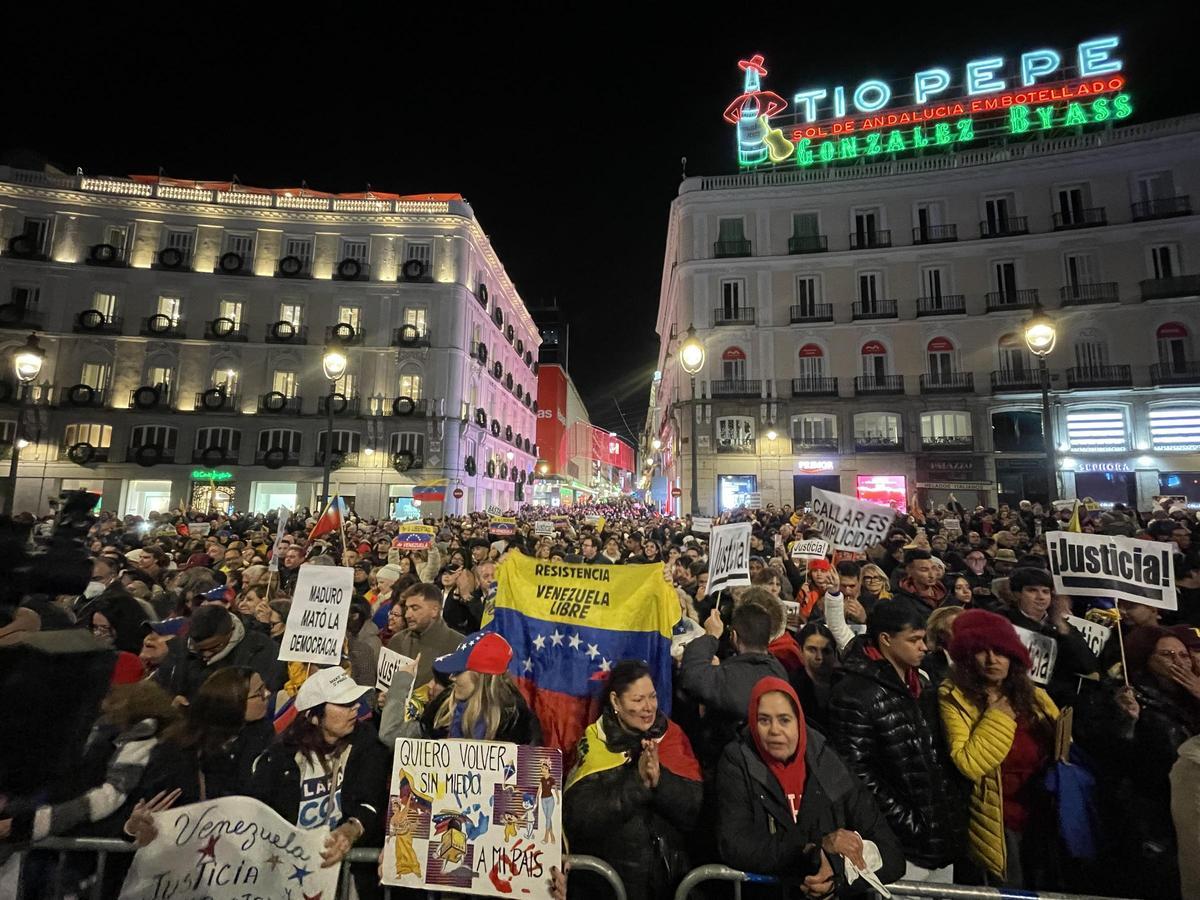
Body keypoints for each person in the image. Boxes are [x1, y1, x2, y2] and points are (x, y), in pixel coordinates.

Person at [716, 676, 905, 894]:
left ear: (799, 721)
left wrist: (836, 875)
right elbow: (736, 845)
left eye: (784, 719)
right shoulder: (737, 762)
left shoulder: (829, 764)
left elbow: (892, 855)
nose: (775, 730)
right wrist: (813, 849)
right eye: (764, 720)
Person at [828, 603, 961, 882]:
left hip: (938, 839)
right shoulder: (854, 693)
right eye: (914, 639)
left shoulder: (922, 686)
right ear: (886, 640)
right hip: (900, 846)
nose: (924, 647)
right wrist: (908, 822)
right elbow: (857, 772)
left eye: (924, 639)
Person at [939, 609, 1060, 888]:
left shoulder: (1035, 696)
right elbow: (970, 762)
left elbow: (1062, 750)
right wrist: (999, 717)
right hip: (996, 824)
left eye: (1001, 651)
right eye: (982, 651)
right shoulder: (954, 697)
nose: (993, 659)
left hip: (1041, 816)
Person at [564, 660, 703, 900]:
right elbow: (579, 818)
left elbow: (696, 812)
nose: (648, 707)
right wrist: (637, 784)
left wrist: (661, 781)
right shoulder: (594, 743)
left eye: (652, 697)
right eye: (638, 700)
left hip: (669, 885)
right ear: (616, 701)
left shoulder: (673, 737)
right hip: (606, 887)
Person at [248, 667, 389, 872]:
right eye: (344, 703)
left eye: (354, 701)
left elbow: (371, 801)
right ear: (314, 716)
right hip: (287, 869)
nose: (356, 707)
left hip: (346, 874)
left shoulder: (367, 743)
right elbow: (259, 814)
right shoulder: (278, 758)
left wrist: (349, 830)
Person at [123, 667, 274, 845]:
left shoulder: (263, 735)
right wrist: (132, 828)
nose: (268, 694)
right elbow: (142, 810)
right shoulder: (177, 752)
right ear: (234, 703)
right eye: (259, 693)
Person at [678, 598, 788, 767]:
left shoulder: (729, 678)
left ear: (734, 636)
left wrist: (711, 636)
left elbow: (692, 675)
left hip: (733, 765)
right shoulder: (779, 670)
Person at [417, 631, 541, 743]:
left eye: (458, 672)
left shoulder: (518, 724)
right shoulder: (440, 709)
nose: (452, 678)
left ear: (480, 677)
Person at [1000, 567, 1098, 705]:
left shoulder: (1060, 626)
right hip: (1011, 697)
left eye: (1045, 592)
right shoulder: (1002, 621)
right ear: (1017, 594)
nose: (1040, 597)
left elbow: (1087, 666)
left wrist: (1061, 627)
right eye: (1032, 590)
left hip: (1054, 702)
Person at [153, 603, 285, 701]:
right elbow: (161, 687)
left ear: (231, 632)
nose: (206, 654)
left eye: (214, 647)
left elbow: (263, 699)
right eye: (200, 649)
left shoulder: (261, 650)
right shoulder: (181, 648)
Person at [385, 583, 465, 687]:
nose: (407, 615)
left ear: (434, 611)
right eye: (407, 608)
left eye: (415, 608)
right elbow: (385, 684)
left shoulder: (459, 645)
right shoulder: (397, 641)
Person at [790, 622, 836, 731]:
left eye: (826, 651)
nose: (819, 657)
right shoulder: (791, 685)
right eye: (812, 650)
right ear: (800, 651)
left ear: (835, 653)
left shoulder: (845, 687)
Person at [888, 549, 949, 624]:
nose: (932, 575)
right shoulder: (901, 601)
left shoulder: (947, 593)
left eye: (933, 568)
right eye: (924, 570)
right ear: (909, 571)